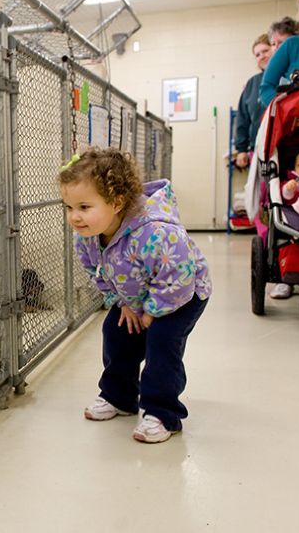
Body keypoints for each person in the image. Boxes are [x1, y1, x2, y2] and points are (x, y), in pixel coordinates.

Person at [58, 148, 211, 444]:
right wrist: (122, 304)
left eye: (84, 207)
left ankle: (162, 412)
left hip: (182, 294)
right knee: (116, 332)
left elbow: (178, 276)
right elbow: (98, 273)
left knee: (161, 342)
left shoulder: (156, 231)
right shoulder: (87, 238)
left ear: (116, 203)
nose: (74, 217)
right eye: (69, 207)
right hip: (135, 295)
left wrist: (152, 312)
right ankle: (119, 397)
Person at [234, 34, 271, 169]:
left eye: (266, 51)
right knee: (263, 188)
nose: (262, 56)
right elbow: (242, 118)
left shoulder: (289, 76)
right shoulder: (252, 84)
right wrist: (241, 149)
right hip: (260, 149)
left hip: (288, 146)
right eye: (257, 54)